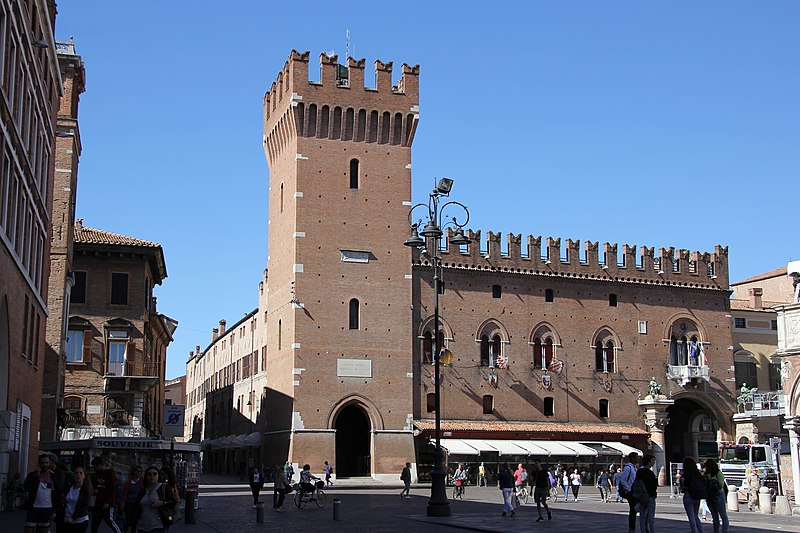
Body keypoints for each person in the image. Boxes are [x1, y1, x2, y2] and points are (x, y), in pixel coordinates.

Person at [129, 466, 177, 533]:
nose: (152, 476)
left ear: (158, 475)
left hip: (158, 526)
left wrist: (162, 503)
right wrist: (130, 525)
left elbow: (173, 502)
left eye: (154, 474)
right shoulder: (143, 491)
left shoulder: (164, 487)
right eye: (149, 474)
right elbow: (136, 509)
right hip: (142, 526)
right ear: (146, 476)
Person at [24, 453, 64, 533]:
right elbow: (26, 487)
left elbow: (58, 493)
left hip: (47, 508)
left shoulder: (54, 476)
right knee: (28, 529)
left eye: (46, 463)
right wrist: (35, 477)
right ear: (39, 464)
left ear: (49, 463)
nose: (45, 465)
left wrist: (55, 510)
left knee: (44, 529)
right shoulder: (33, 475)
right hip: (34, 508)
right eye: (43, 463)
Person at [90, 457, 121, 533]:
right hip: (99, 502)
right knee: (94, 523)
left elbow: (113, 489)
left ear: (100, 465)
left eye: (95, 466)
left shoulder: (110, 473)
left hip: (108, 503)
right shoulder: (96, 474)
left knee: (110, 521)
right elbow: (96, 486)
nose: (95, 469)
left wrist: (108, 502)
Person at [58, 466, 92, 533]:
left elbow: (84, 507)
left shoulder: (85, 490)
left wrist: (73, 518)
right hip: (67, 519)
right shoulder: (69, 487)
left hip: (80, 520)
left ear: (84, 476)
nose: (78, 475)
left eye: (80, 473)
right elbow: (62, 499)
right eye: (76, 473)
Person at [679, 457, 706, 533]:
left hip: (688, 494)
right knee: (695, 515)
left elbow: (682, 480)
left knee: (691, 516)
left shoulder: (686, 473)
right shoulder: (697, 473)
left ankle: (694, 531)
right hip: (697, 496)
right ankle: (701, 531)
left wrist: (682, 487)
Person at [704, 458, 729, 533]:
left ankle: (724, 531)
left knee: (723, 515)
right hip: (709, 496)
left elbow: (721, 485)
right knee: (714, 517)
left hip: (718, 495)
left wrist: (711, 481)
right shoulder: (706, 474)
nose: (706, 468)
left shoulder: (718, 473)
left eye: (708, 466)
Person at [619, 452, 640, 533]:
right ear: (633, 458)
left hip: (633, 491)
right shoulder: (628, 468)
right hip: (630, 492)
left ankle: (632, 528)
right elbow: (623, 480)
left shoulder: (634, 467)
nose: (638, 459)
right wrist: (628, 490)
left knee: (634, 510)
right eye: (637, 457)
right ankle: (632, 528)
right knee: (633, 510)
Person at [636, 454, 657, 533]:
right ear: (648, 462)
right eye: (652, 460)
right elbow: (654, 485)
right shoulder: (650, 473)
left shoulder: (639, 472)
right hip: (650, 495)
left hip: (641, 495)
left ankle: (643, 530)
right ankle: (652, 530)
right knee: (651, 515)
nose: (654, 462)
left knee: (642, 515)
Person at [120, 466, 144, 532]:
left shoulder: (142, 482)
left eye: (140, 471)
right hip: (129, 504)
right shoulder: (129, 482)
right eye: (137, 471)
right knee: (128, 522)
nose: (138, 473)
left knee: (135, 522)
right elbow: (124, 494)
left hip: (138, 505)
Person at [157, 467, 179, 533]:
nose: (161, 476)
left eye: (163, 474)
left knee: (167, 526)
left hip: (168, 509)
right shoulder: (157, 484)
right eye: (160, 474)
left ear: (167, 474)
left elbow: (176, 497)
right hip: (160, 510)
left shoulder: (170, 485)